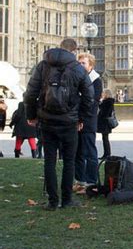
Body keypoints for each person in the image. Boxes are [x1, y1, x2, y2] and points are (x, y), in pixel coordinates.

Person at [23, 38, 94, 210]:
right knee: (69, 161)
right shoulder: (77, 68)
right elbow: (89, 96)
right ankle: (67, 199)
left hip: (46, 120)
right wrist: (81, 119)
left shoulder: (43, 65)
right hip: (69, 121)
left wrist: (31, 115)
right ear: (74, 51)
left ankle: (53, 201)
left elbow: (30, 93)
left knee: (49, 161)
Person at [73, 53, 102, 194]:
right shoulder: (78, 79)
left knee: (90, 153)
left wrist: (82, 120)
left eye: (83, 63)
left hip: (88, 122)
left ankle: (91, 183)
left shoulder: (96, 80)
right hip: (77, 121)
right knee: (78, 152)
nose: (80, 65)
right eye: (79, 63)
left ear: (91, 65)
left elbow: (92, 103)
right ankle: (80, 181)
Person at [97, 89, 115, 159]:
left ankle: (107, 154)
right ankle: (106, 153)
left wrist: (101, 105)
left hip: (105, 123)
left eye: (103, 93)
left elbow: (105, 113)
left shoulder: (108, 102)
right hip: (105, 123)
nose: (102, 94)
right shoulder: (107, 101)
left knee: (105, 139)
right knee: (105, 138)